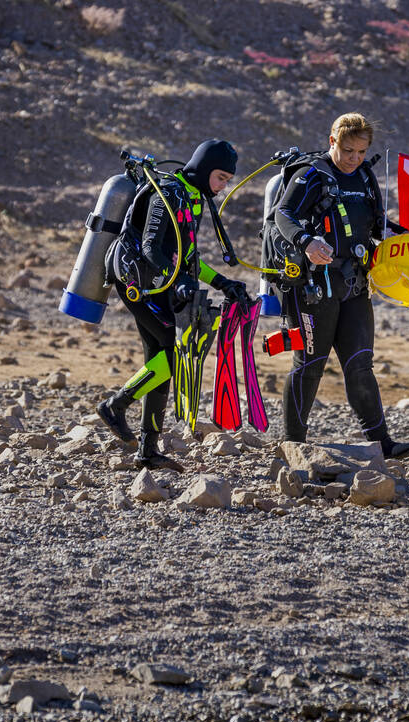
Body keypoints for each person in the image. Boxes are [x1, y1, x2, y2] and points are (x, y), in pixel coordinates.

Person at [96, 139, 249, 472]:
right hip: (137, 283)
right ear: (206, 169)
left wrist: (223, 282)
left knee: (159, 363)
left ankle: (148, 452)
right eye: (221, 178)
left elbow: (189, 257)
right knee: (174, 355)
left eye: (227, 180)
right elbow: (151, 247)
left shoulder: (193, 198)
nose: (223, 186)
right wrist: (175, 278)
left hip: (157, 284)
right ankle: (115, 405)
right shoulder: (167, 192)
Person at [273, 113, 409, 459]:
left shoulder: (367, 176)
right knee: (310, 363)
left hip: (354, 284)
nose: (354, 158)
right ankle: (292, 442)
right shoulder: (312, 175)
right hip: (314, 287)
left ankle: (382, 442)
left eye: (361, 151)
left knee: (360, 364)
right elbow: (283, 214)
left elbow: (375, 224)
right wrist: (307, 241)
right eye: (348, 150)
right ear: (332, 142)